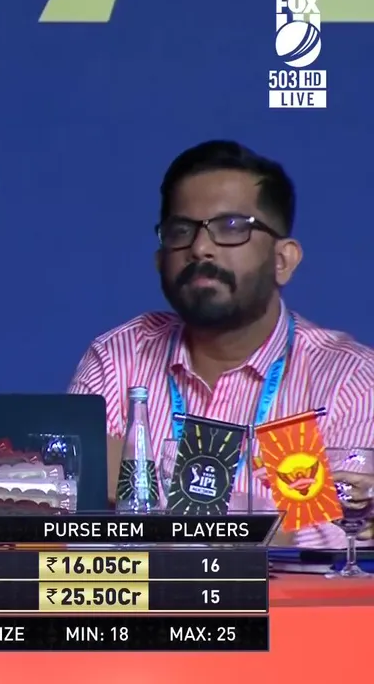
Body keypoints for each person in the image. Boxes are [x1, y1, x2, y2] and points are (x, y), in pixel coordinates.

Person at [69, 140, 374, 547]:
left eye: (232, 227)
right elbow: (71, 504)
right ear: (160, 260)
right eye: (182, 231)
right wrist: (266, 521)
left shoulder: (349, 380)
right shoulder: (118, 358)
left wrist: (141, 486)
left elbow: (344, 531)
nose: (200, 248)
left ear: (283, 260)